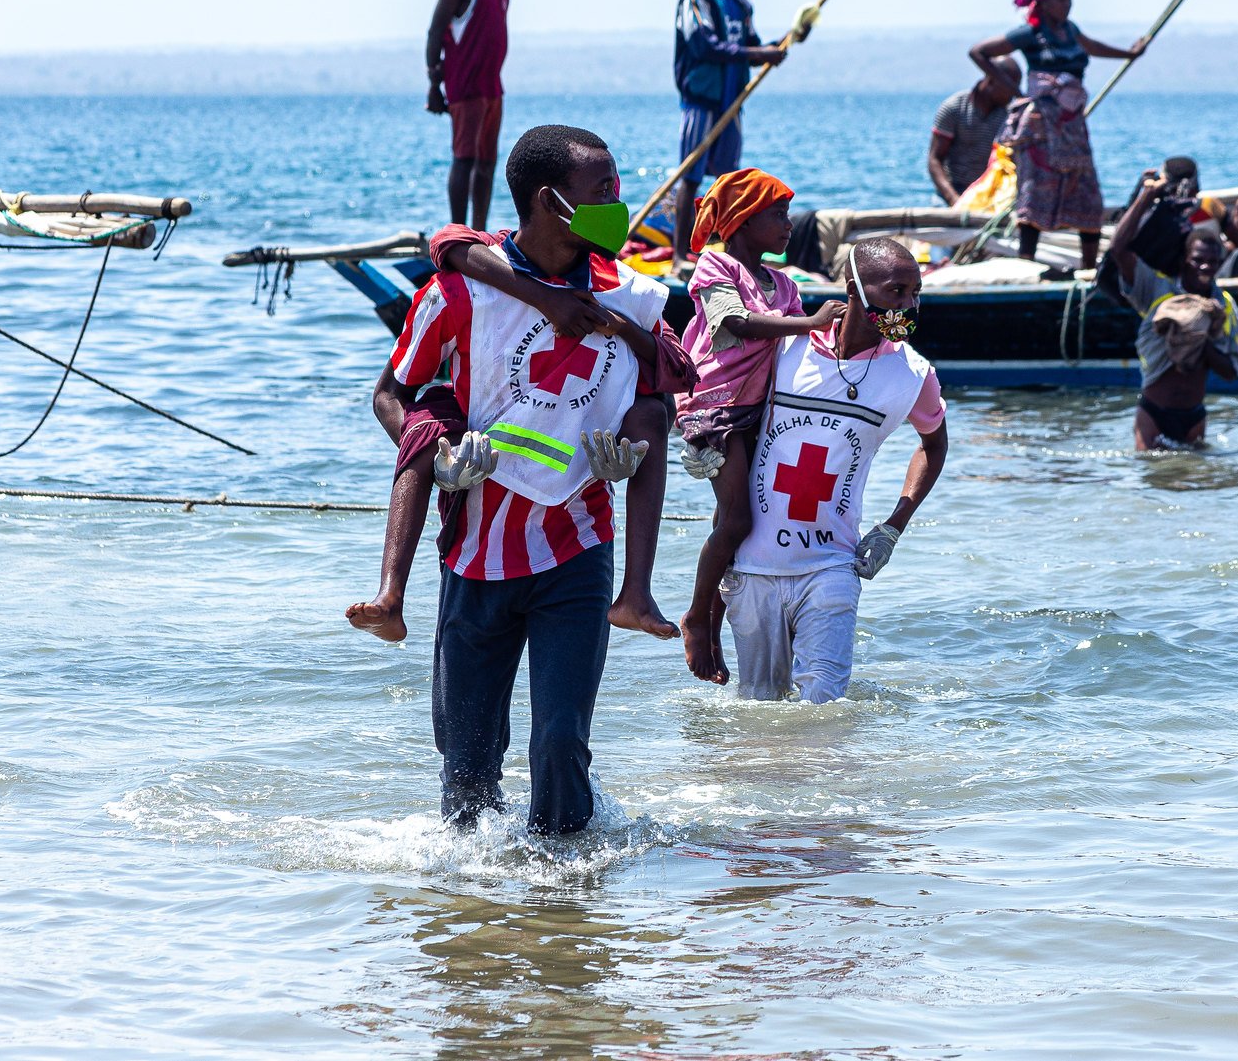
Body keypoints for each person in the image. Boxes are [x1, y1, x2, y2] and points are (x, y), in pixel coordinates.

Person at [369, 124, 689, 831]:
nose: (619, 203)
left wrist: (633, 444)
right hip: (474, 554)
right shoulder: (456, 293)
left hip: (576, 545)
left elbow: (656, 394)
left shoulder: (632, 294)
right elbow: (391, 393)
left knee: (560, 744)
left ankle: (567, 913)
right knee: (466, 763)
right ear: (550, 201)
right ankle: (470, 921)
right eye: (602, 191)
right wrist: (437, 457)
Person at [710, 238, 950, 702]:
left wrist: (893, 528)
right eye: (896, 292)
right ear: (854, 288)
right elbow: (722, 403)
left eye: (916, 293)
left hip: (832, 567)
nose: (909, 305)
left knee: (826, 711)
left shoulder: (913, 374)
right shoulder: (785, 347)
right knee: (758, 714)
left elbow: (933, 446)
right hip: (754, 566)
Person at [674, 169, 847, 678]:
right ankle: (697, 619)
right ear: (743, 221)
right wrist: (813, 320)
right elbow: (735, 323)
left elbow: (803, 349)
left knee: (737, 524)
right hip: (717, 406)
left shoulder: (784, 283)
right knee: (739, 521)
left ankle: (716, 617)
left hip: (763, 410)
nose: (789, 224)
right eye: (777, 214)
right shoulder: (715, 266)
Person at [968, 0, 1148, 271]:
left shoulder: (1071, 30)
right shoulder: (1030, 34)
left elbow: (1092, 47)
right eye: (1061, 0)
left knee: (1086, 188)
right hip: (1042, 124)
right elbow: (979, 52)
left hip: (1073, 124)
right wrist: (1016, 90)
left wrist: (1128, 55)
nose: (1067, 5)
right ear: (1045, 2)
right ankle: (1026, 264)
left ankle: (1090, 268)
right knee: (1036, 187)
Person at [672, 0, 788, 262]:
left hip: (732, 104)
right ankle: (680, 254)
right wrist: (758, 52)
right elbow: (703, 45)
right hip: (702, 102)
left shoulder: (743, 6)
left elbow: (751, 49)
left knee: (728, 182)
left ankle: (729, 254)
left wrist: (774, 50)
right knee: (691, 177)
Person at [1110, 194, 1238, 449]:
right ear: (1185, 260)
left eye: (1213, 262)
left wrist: (1200, 340)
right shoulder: (1158, 290)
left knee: (1198, 481)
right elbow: (1118, 249)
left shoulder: (1223, 306)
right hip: (1153, 414)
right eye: (1198, 260)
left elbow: (1231, 372)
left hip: (1194, 417)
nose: (1206, 267)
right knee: (1150, 480)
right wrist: (1146, 196)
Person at [425, 0, 510, 229]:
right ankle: (458, 231)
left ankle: (479, 230)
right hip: (466, 85)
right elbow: (435, 31)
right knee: (465, 159)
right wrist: (435, 85)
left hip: (492, 87)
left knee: (487, 162)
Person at [927, 57, 1021, 204]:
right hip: (951, 194)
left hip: (989, 195)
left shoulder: (1009, 116)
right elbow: (934, 159)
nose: (1013, 95)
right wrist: (954, 200)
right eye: (1010, 88)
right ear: (991, 82)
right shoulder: (954, 108)